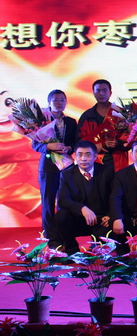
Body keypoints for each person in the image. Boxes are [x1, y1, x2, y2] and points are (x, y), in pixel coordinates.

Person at [32, 89, 77, 248]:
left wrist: (70, 148)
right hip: (48, 167)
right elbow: (35, 144)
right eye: (55, 100)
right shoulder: (41, 121)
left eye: (62, 100)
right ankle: (52, 240)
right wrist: (48, 147)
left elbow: (76, 142)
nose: (59, 103)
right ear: (49, 102)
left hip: (66, 166)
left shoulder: (71, 122)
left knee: (64, 202)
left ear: (66, 102)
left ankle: (64, 236)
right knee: (48, 202)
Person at [55, 140, 115, 254]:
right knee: (61, 216)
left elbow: (115, 196)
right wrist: (82, 208)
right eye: (80, 155)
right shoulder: (67, 174)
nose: (83, 159)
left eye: (88, 154)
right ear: (75, 156)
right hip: (79, 219)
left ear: (95, 156)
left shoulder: (107, 171)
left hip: (102, 219)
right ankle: (72, 251)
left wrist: (110, 215)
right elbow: (62, 200)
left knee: (103, 254)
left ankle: (101, 246)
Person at [76, 79, 128, 171]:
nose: (101, 93)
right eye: (98, 91)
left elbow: (129, 138)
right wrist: (94, 146)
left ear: (110, 93)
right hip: (94, 160)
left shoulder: (120, 113)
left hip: (117, 159)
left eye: (104, 90)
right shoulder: (87, 116)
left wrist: (117, 143)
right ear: (93, 93)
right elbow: (79, 141)